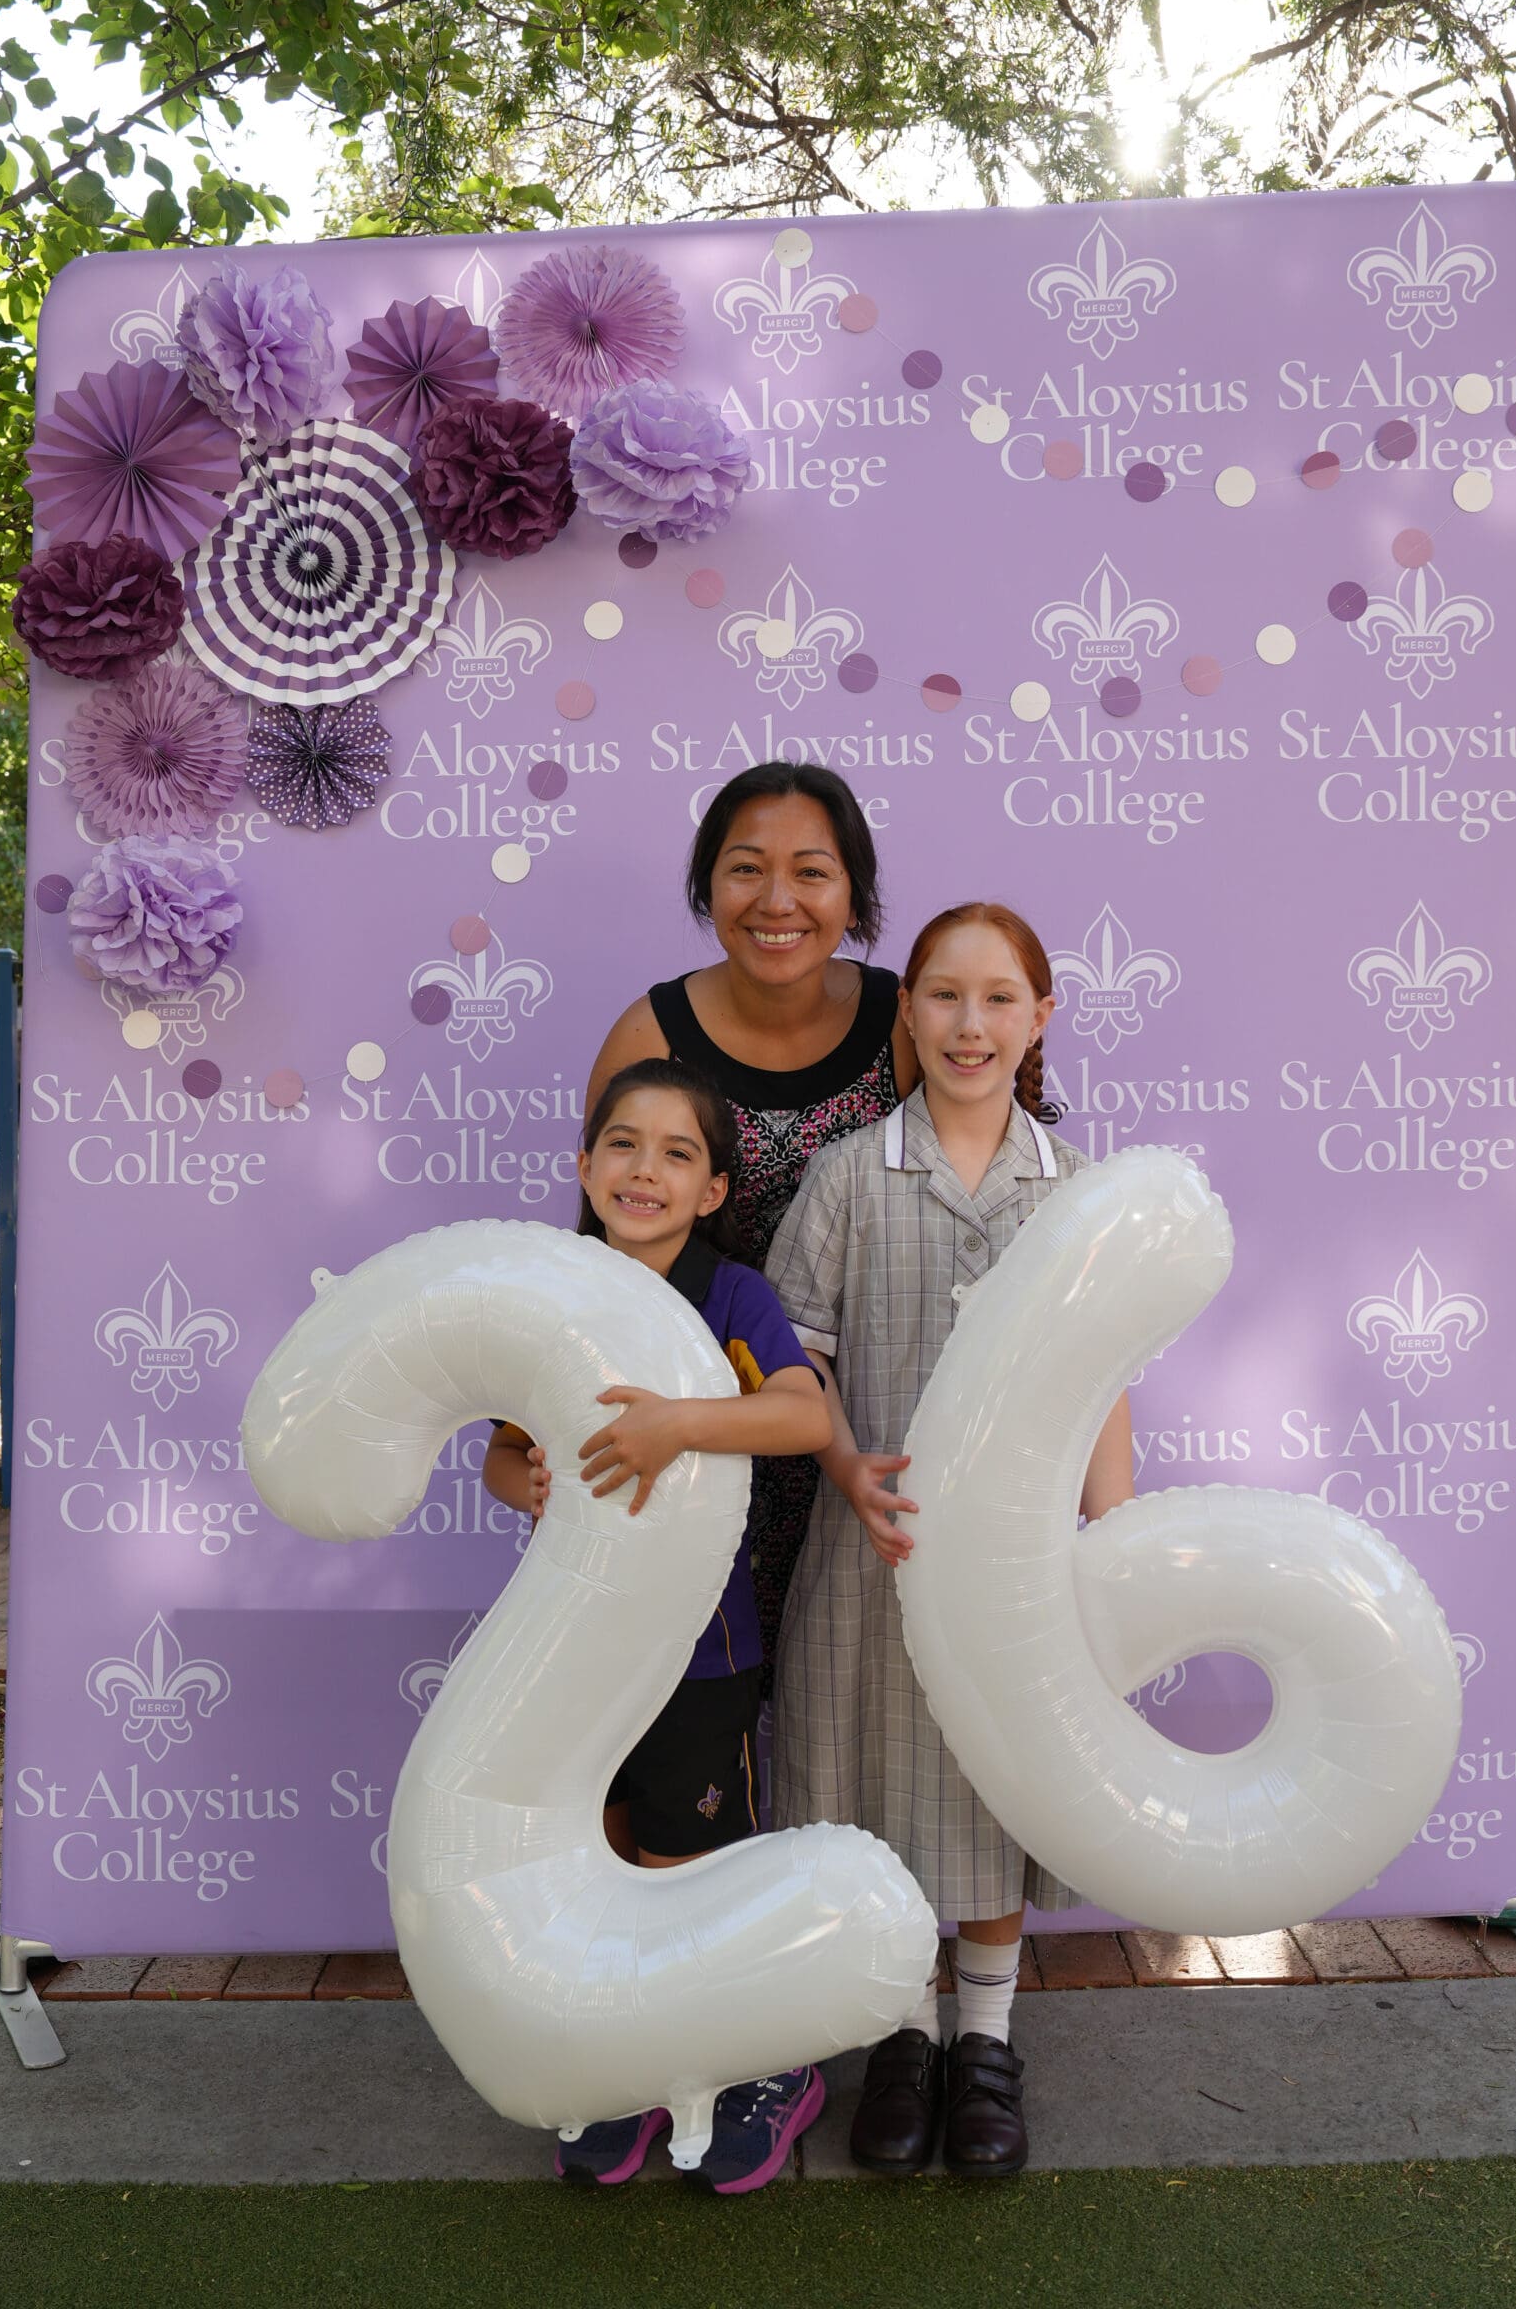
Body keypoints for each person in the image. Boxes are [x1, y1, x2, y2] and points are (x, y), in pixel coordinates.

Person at [765, 903, 1135, 2180]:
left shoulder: (1077, 1189)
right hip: (869, 1555)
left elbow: (1100, 1381)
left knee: (991, 1792)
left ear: (1040, 1016)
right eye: (941, 995)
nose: (968, 1024)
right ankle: (902, 2039)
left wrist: (1110, 1545)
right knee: (872, 1798)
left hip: (1013, 1572)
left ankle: (984, 2044)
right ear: (906, 1014)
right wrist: (843, 1462)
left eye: (997, 998)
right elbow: (794, 1363)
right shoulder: (847, 1178)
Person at [485, 1056, 833, 2195]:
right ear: (586, 1166)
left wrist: (679, 1423)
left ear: (713, 1189)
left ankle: (750, 2066)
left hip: (700, 1652)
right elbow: (502, 1456)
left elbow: (801, 1416)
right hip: (569, 1649)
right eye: (623, 1146)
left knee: (687, 1872)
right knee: (593, 1861)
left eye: (677, 1153)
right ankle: (624, 2070)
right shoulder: (549, 1291)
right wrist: (527, 1483)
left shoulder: (730, 1296)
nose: (645, 1170)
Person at [587, 763, 916, 1674]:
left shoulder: (901, 1023)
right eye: (744, 869)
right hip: (697, 1426)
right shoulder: (651, 1034)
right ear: (707, 885)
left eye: (811, 871)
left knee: (852, 1690)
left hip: (866, 1424)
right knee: (685, 1698)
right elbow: (600, 1249)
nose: (777, 901)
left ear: (853, 892)